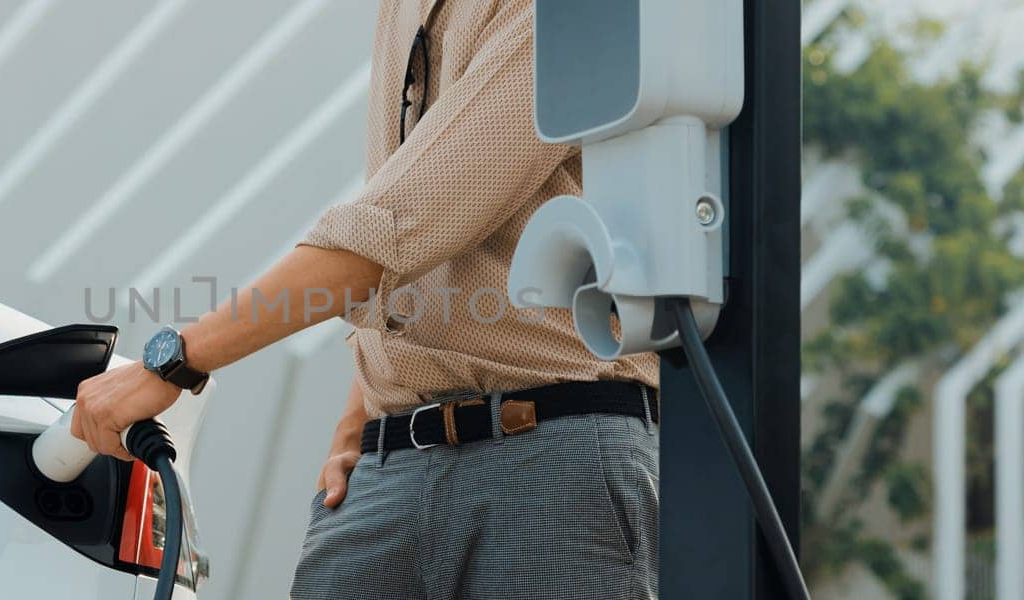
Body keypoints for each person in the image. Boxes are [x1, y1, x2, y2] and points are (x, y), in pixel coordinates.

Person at [71, 0, 660, 598]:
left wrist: (177, 361)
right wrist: (361, 410)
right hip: (394, 457)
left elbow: (395, 227)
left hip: (555, 457)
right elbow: (405, 244)